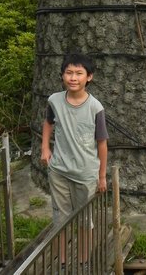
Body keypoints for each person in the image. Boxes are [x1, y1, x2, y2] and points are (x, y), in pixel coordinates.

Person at [41, 52, 108, 268]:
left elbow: (101, 143)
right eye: (69, 72)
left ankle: (83, 260)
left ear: (89, 77)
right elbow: (48, 122)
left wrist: (101, 176)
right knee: (59, 217)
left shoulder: (95, 107)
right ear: (62, 75)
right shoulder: (54, 100)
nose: (73, 77)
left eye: (79, 73)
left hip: (85, 173)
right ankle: (61, 260)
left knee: (84, 219)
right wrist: (45, 148)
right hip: (59, 169)